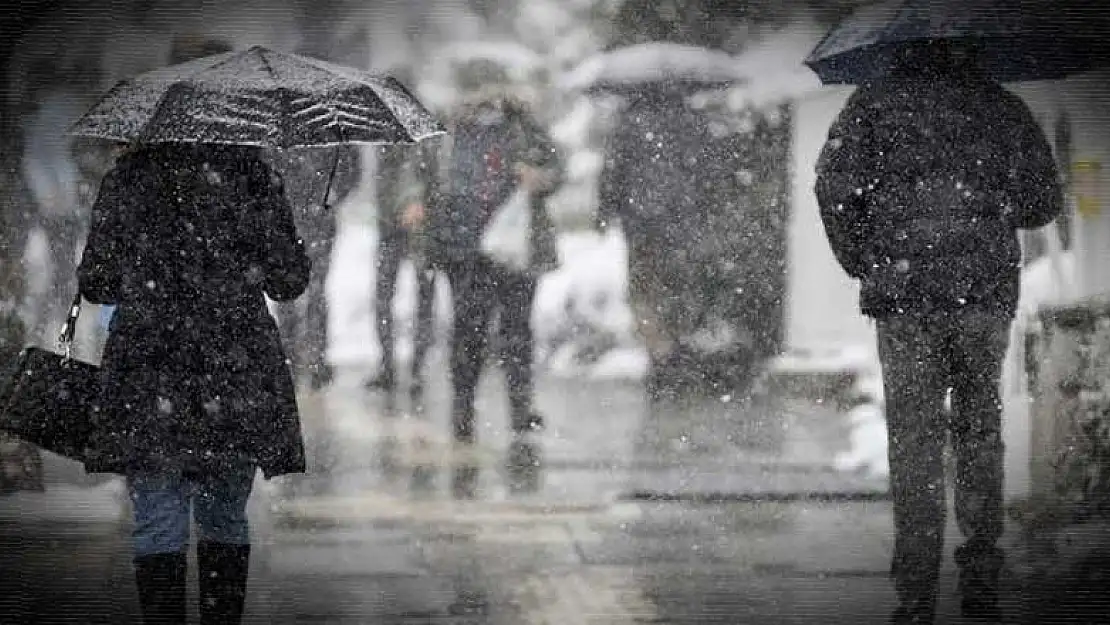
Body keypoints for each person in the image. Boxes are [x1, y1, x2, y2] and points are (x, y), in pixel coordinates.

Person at [815, 39, 1063, 624]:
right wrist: (987, 204)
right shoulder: (1001, 107)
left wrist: (867, 258)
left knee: (914, 441)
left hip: (904, 302)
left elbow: (832, 191)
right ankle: (980, 580)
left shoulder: (870, 106)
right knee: (980, 432)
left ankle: (916, 591)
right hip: (981, 295)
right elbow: (1041, 203)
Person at [77, 143, 310, 624]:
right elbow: (288, 282)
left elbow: (97, 281)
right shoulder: (253, 175)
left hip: (150, 363)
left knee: (157, 518)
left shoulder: (129, 176)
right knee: (223, 515)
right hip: (234, 368)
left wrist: (150, 269)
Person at [423, 81, 564, 453]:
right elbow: (427, 178)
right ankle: (463, 408)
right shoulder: (448, 131)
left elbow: (555, 166)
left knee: (516, 330)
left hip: (515, 249)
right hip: (465, 249)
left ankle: (519, 408)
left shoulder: (523, 126)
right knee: (469, 331)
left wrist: (538, 177)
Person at [364, 140, 438, 400]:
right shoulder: (383, 137)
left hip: (417, 223)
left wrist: (414, 200)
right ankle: (392, 364)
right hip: (391, 223)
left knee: (417, 295)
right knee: (389, 295)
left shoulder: (418, 132)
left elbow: (418, 172)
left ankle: (412, 366)